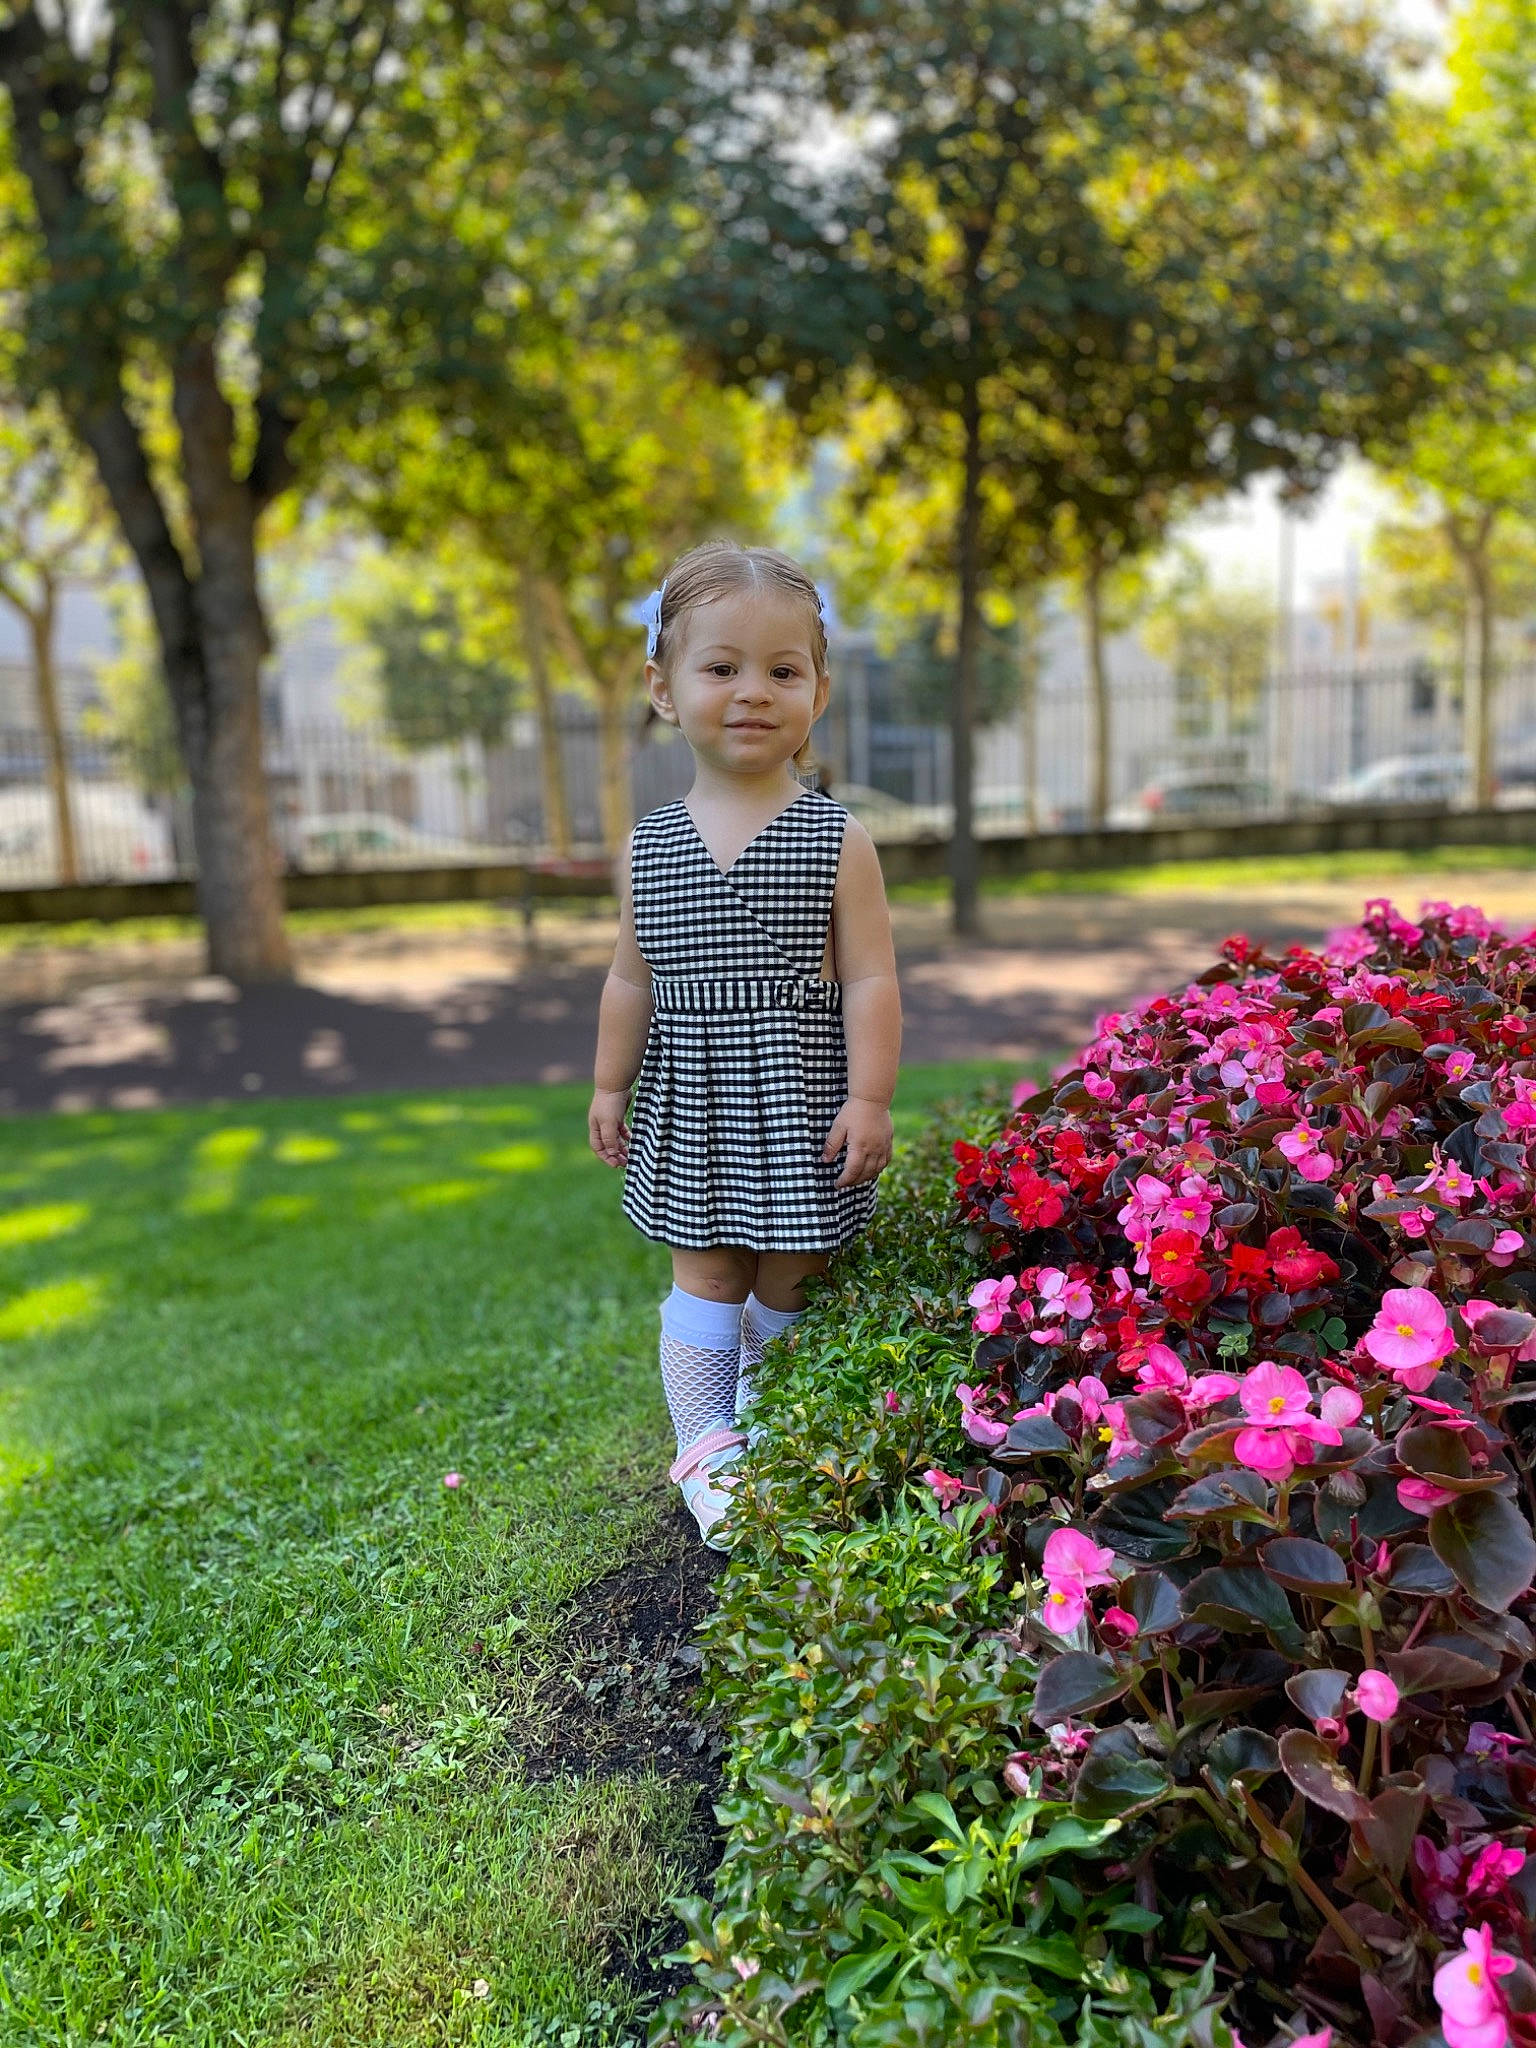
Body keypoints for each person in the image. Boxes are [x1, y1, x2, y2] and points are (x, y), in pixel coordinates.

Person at [588, 541, 902, 1546]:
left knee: (791, 1270)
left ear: (818, 689)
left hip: (800, 1086)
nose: (752, 691)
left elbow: (871, 977)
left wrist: (870, 1097)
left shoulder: (836, 837)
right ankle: (705, 1445)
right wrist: (608, 1083)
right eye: (721, 667)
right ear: (664, 689)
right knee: (709, 1270)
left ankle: (766, 1423)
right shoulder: (649, 843)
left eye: (783, 669)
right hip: (693, 1093)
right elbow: (630, 976)